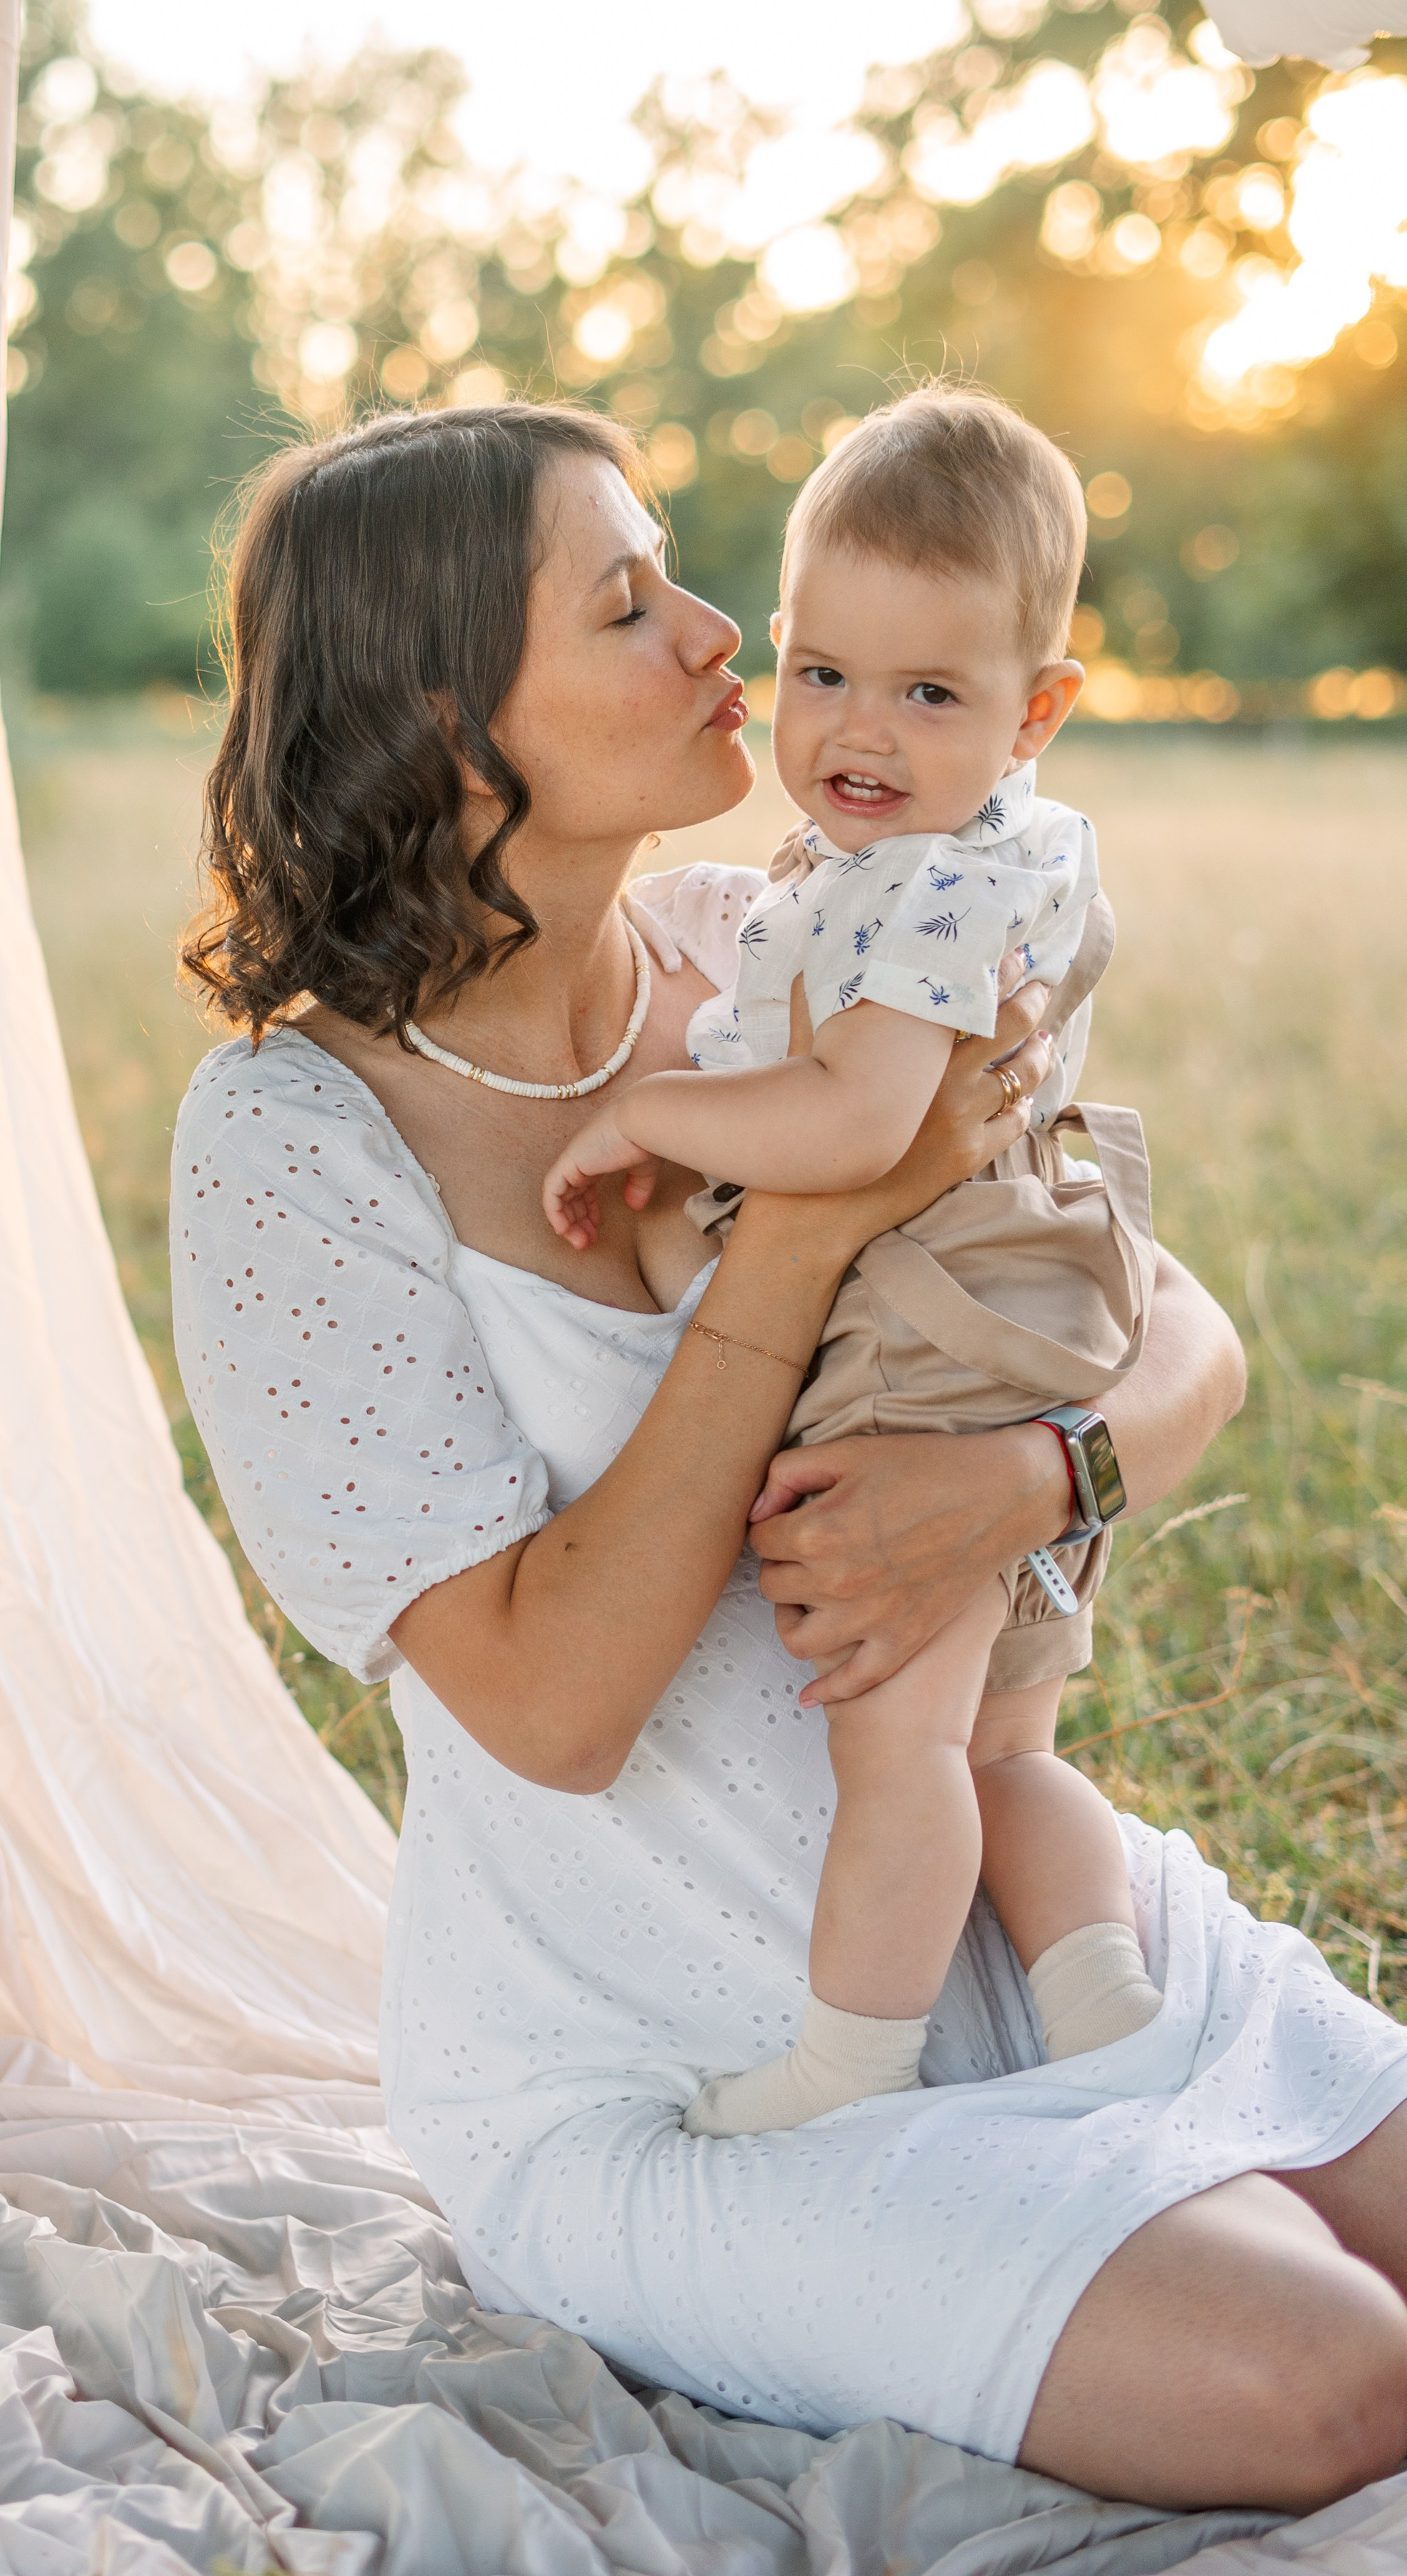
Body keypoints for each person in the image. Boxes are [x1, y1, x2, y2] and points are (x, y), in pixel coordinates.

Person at [172, 400, 1407, 2512]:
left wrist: (1036, 1482)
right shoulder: (292, 1149)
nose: (725, 627)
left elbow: (1176, 1332)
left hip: (1007, 1923)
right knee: (1331, 2386)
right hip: (673, 2075)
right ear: (449, 718)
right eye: (627, 600)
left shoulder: (789, 942)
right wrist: (816, 1222)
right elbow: (555, 1710)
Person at [538, 387, 1161, 2140]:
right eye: (824, 672)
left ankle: (853, 2067)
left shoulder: (940, 890)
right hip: (1026, 1328)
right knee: (1005, 1747)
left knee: (894, 1748)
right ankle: (1107, 2009)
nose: (858, 731)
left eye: (931, 693)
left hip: (930, 1337)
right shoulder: (956, 853)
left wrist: (657, 1117)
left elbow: (862, 1125)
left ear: (1038, 709)